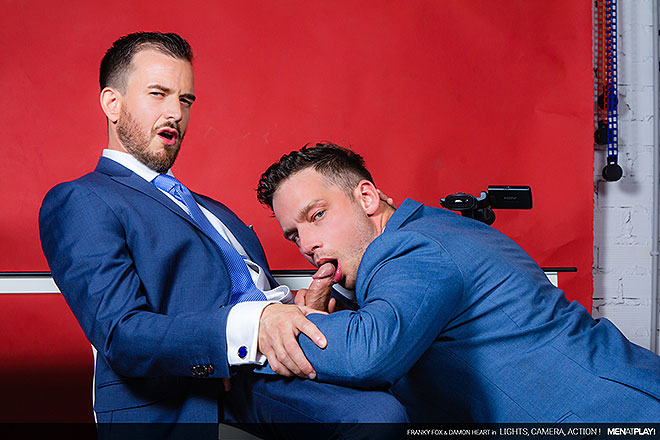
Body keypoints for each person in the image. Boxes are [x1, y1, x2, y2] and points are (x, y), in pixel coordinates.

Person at [38, 33, 407, 438]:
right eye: (158, 94)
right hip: (204, 390)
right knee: (378, 417)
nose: (175, 113)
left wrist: (303, 305)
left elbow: (255, 289)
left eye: (185, 100)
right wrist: (250, 329)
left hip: (281, 359)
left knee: (414, 383)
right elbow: (122, 335)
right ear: (112, 103)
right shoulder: (82, 199)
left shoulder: (213, 210)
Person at [255, 142, 660, 423]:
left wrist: (278, 323)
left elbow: (367, 355)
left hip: (616, 414)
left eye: (318, 215)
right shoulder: (426, 232)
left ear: (367, 198)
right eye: (293, 235)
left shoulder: (412, 247)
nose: (306, 244)